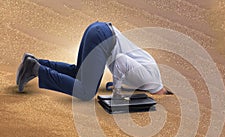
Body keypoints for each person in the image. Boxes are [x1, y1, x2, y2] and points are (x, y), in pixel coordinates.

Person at [16, 21, 170, 101]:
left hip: (99, 30)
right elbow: (122, 61)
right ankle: (36, 69)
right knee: (86, 92)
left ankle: (34, 62)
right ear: (163, 92)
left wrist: (119, 86)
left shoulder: (149, 76)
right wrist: (117, 93)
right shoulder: (151, 78)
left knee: (79, 74)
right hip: (103, 38)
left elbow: (130, 70)